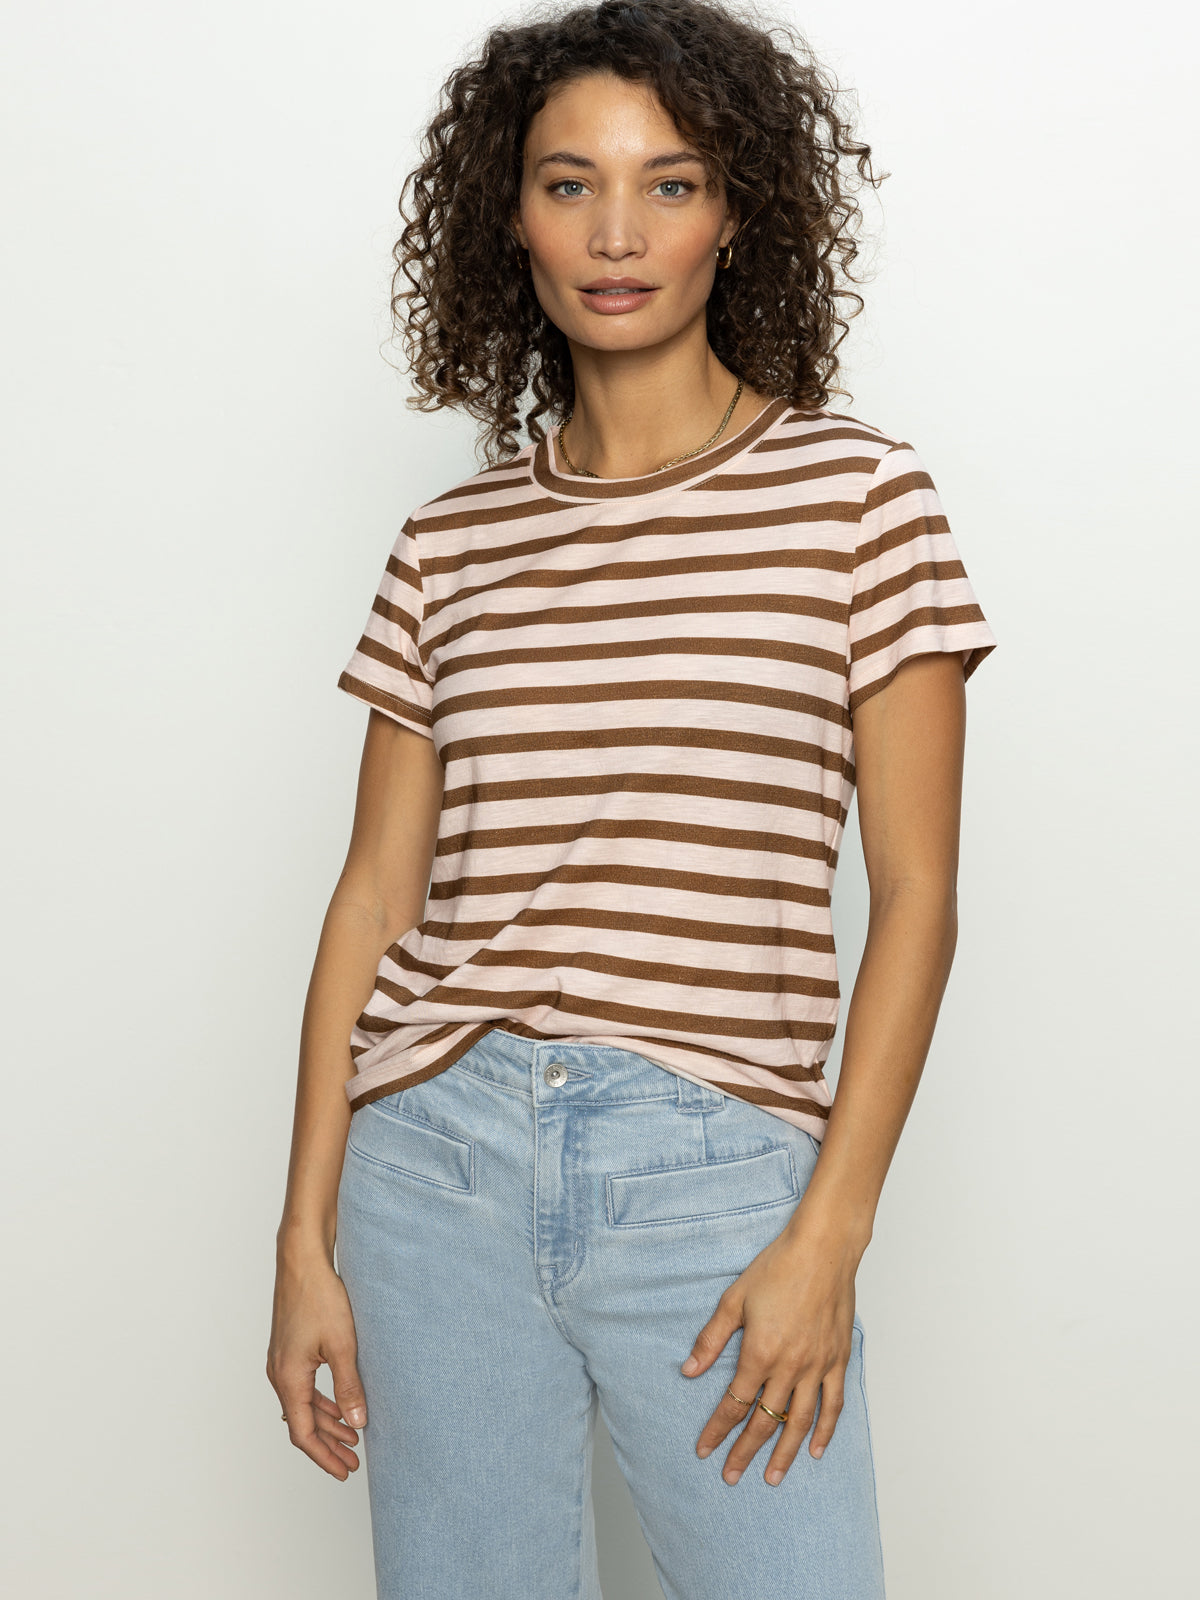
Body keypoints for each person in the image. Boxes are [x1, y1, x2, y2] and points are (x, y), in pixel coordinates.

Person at [267, 2, 998, 1595]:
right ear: (505, 215)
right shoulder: (449, 546)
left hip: (716, 1177)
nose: (616, 233)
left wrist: (831, 1229)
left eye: (670, 184)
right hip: (434, 1164)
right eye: (567, 183)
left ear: (738, 214)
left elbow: (920, 898)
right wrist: (304, 1239)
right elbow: (374, 902)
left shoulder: (859, 501)